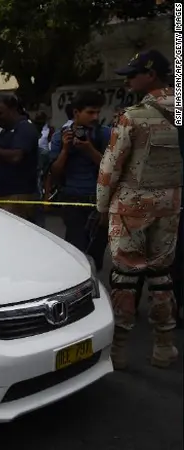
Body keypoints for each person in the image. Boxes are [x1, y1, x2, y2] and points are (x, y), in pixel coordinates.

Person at [97, 50, 182, 370]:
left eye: (133, 74)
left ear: (153, 75)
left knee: (125, 277)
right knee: (161, 277)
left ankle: (118, 351)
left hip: (130, 207)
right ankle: (164, 346)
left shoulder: (133, 116)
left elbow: (110, 168)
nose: (127, 79)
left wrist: (102, 207)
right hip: (170, 205)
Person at [48, 90, 111, 271]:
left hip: (99, 201)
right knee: (77, 253)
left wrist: (89, 149)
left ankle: (96, 290)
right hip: (73, 201)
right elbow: (55, 172)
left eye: (98, 112)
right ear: (76, 113)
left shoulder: (105, 134)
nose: (95, 117)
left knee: (96, 253)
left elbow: (111, 169)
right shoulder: (60, 136)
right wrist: (66, 151)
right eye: (90, 112)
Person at [0, 94, 40, 221]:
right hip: (0, 194)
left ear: (13, 109)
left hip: (18, 195)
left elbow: (15, 157)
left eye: (0, 113)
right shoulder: (5, 131)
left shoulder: (24, 128)